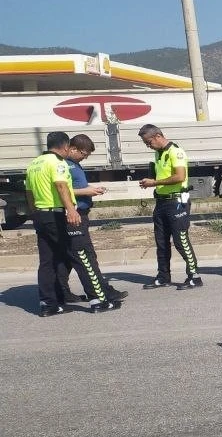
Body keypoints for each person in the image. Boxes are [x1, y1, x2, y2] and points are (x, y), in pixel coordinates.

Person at [24, 132, 121, 315]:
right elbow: (61, 186)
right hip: (58, 216)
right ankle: (98, 300)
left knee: (48, 261)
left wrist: (34, 213)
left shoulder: (34, 164)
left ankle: (48, 305)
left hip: (41, 216)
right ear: (65, 146)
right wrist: (72, 210)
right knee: (82, 256)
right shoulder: (57, 163)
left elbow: (29, 193)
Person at [55, 134, 128, 303]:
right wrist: (86, 192)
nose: (85, 157)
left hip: (79, 214)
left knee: (67, 257)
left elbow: (73, 187)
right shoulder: (64, 165)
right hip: (74, 215)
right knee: (85, 255)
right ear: (72, 148)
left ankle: (61, 293)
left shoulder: (75, 165)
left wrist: (91, 189)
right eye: (84, 153)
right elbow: (61, 190)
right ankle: (99, 293)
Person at [137, 124, 202, 288]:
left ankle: (194, 276)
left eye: (149, 142)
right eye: (146, 143)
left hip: (177, 202)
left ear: (158, 136)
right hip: (161, 202)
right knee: (161, 241)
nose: (148, 145)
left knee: (181, 240)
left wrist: (155, 182)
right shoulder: (158, 153)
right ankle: (163, 276)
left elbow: (180, 176)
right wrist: (151, 182)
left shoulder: (176, 151)